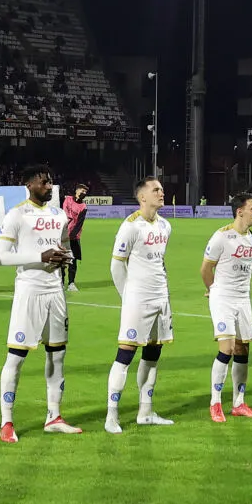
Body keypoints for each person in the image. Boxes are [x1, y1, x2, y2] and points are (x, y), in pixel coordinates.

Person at [0, 165, 79, 441]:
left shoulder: (58, 215)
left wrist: (65, 258)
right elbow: (0, 256)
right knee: (16, 357)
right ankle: (7, 422)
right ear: (29, 185)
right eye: (43, 182)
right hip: (29, 291)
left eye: (51, 181)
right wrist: (39, 256)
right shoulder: (17, 215)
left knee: (57, 355)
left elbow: (65, 247)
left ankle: (54, 416)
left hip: (55, 291)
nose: (49, 186)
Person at [105, 177, 176, 432]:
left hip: (161, 298)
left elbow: (159, 263)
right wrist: (127, 298)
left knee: (153, 354)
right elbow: (116, 266)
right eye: (155, 190)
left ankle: (145, 411)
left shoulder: (165, 225)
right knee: (125, 354)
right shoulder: (130, 226)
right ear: (142, 197)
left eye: (161, 189)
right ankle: (112, 415)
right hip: (138, 299)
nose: (161, 192)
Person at [202, 192, 252, 420]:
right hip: (223, 298)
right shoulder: (221, 237)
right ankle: (215, 403)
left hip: (243, 299)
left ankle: (239, 402)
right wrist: (213, 291)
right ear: (240, 212)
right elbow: (205, 269)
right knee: (227, 349)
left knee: (242, 349)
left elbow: (251, 268)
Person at [63, 184, 90, 293]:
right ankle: (61, 283)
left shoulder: (83, 207)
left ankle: (71, 283)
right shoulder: (67, 199)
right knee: (61, 259)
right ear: (77, 190)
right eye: (82, 190)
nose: (84, 193)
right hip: (62, 234)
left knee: (73, 260)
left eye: (85, 192)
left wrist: (71, 236)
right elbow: (63, 213)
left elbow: (79, 224)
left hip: (74, 236)